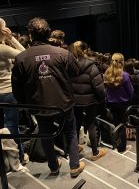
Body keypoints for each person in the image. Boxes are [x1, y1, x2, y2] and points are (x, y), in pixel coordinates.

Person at [12, 17, 85, 177]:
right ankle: (74, 166)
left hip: (39, 105)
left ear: (30, 35)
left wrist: (26, 105)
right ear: (48, 34)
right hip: (64, 102)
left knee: (45, 134)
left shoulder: (21, 58)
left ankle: (53, 166)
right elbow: (76, 72)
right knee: (70, 132)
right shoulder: (63, 53)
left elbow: (16, 88)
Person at [69, 41, 106, 160]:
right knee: (91, 125)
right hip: (90, 101)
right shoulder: (92, 66)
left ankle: (74, 151)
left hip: (75, 101)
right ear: (85, 51)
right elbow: (99, 88)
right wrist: (102, 100)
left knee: (76, 125)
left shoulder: (68, 65)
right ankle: (95, 152)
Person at [0, 18, 27, 164]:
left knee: (3, 128)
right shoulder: (3, 49)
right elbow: (26, 55)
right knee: (12, 127)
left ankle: (6, 159)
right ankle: (19, 158)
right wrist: (12, 39)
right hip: (7, 92)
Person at [103, 53, 134, 152]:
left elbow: (106, 89)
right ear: (122, 62)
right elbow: (131, 92)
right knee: (122, 126)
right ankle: (122, 148)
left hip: (111, 104)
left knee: (116, 124)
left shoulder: (107, 72)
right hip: (123, 105)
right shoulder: (124, 75)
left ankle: (116, 143)